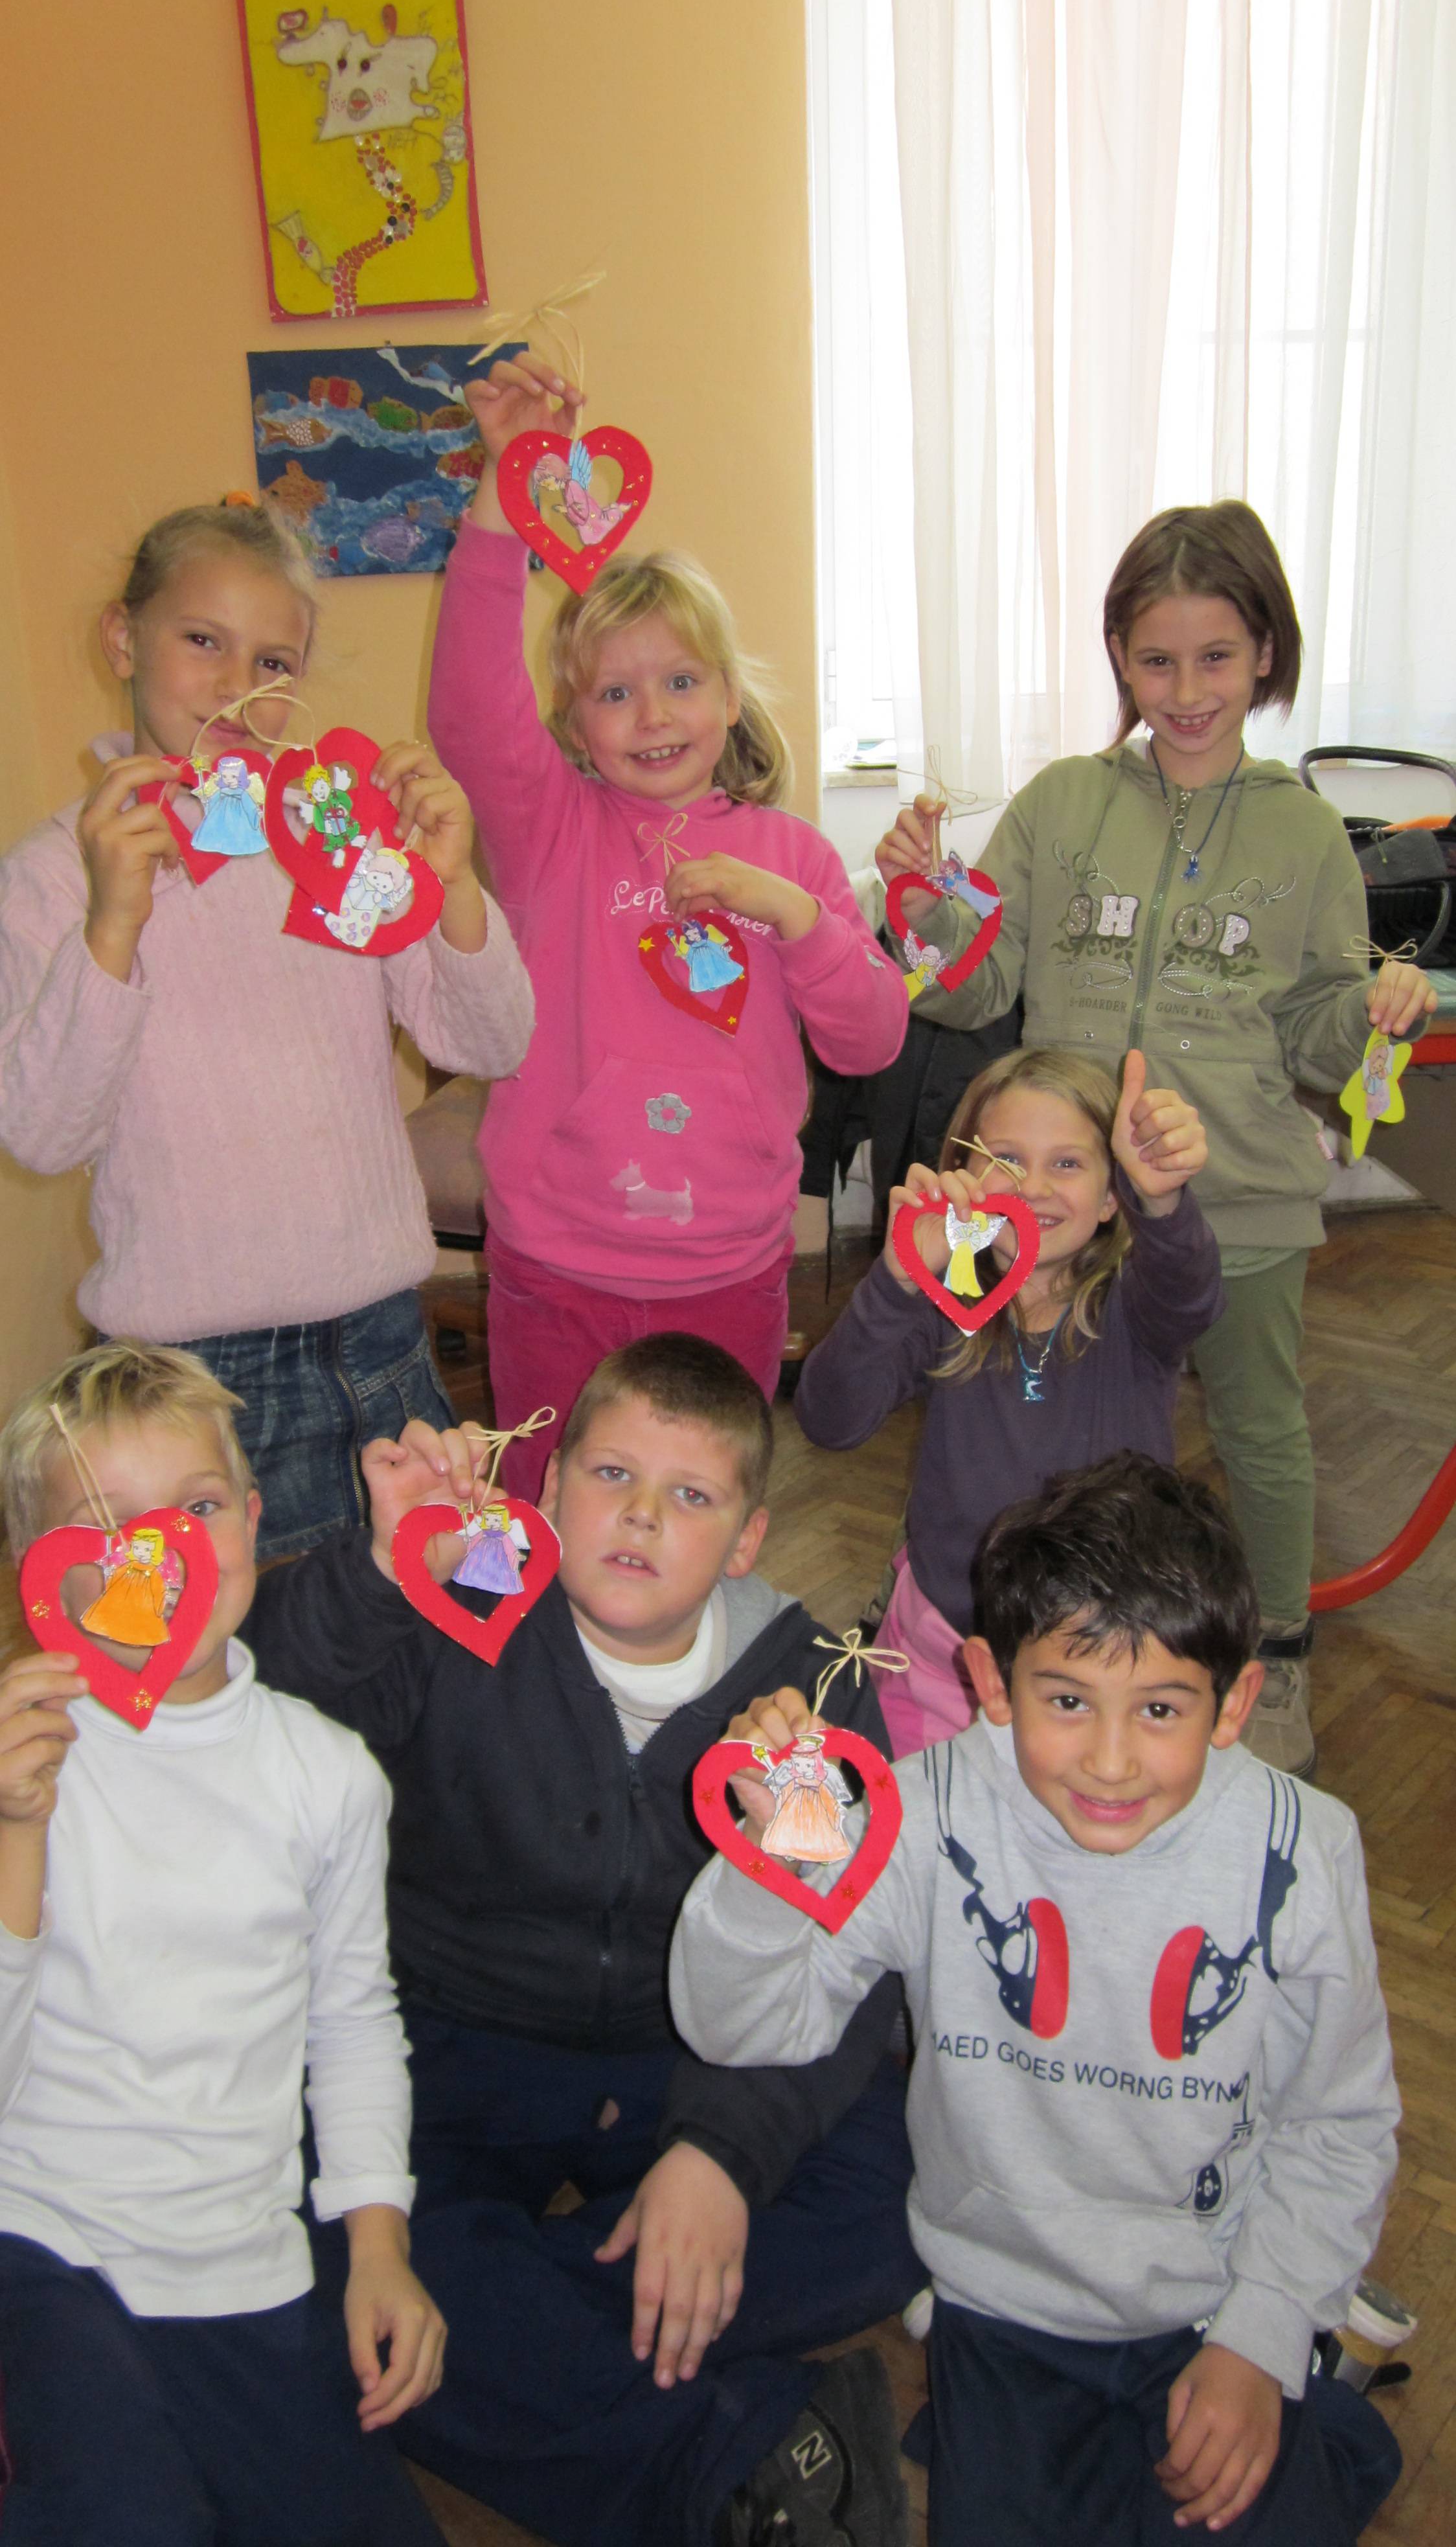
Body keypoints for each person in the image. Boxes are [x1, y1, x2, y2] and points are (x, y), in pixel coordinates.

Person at [243, 1333, 922, 2547]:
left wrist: (721, 2155)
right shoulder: (465, 1591)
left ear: (748, 1541)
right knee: (307, 2230)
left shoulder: (815, 1691)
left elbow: (848, 1976)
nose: (642, 1516)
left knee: (908, 2184)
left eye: (693, 1497)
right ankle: (735, 2450)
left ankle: (513, 2315)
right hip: (450, 2046)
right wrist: (382, 1568)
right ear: (548, 1487)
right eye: (611, 1476)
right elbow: (261, 1692)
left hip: (692, 2060)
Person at [671, 1452, 1404, 2547]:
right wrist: (773, 1865)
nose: (1109, 1761)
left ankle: (1323, 2404)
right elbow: (739, 2027)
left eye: (1159, 1708)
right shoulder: (921, 1813)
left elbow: (1339, 2122)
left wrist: (1260, 2335)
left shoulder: (1303, 1848)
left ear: (1234, 1703)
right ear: (987, 1681)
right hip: (1002, 2309)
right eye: (1065, 1700)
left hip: (1212, 2292)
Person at [875, 500, 1437, 1776]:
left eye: (1215, 657)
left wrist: (1374, 1011)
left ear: (1265, 655)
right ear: (1118, 659)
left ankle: (1275, 1655)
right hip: (1064, 1220)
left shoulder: (1300, 830)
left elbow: (1318, 1034)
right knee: (1062, 1446)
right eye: (1154, 660)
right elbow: (972, 985)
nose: (1184, 692)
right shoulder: (1062, 803)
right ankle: (1065, 1655)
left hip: (1234, 1204)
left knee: (1258, 1432)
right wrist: (918, 904)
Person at [0, 498, 534, 1558]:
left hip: (384, 1340)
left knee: (420, 1623)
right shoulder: (55, 876)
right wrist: (114, 926)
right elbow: (45, 1133)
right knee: (252, 1640)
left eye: (274, 661)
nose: (237, 688)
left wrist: (454, 885)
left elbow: (488, 1044)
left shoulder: (332, 838)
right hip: (195, 1382)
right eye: (204, 641)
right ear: (123, 639)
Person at [426, 349, 909, 1501]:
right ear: (574, 724)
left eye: (681, 682)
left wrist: (794, 918)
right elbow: (469, 706)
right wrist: (504, 490)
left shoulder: (792, 856)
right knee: (551, 1504)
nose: (651, 714)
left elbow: (871, 1039)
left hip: (727, 1267)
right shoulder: (549, 831)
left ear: (730, 697)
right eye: (614, 692)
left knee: (697, 1515)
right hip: (557, 1263)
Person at [0, 1341, 447, 2547]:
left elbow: (353, 2023)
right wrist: (15, 1838)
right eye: (109, 1528)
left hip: (247, 2261)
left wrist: (377, 2243)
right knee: (125, 2516)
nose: (160, 1556)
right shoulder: (26, 1767)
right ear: (41, 1571)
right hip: (40, 2240)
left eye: (197, 1510)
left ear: (254, 1522)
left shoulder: (327, 1776)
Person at [797, 1044, 1222, 1753]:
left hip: (1102, 1659)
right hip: (944, 1650)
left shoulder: (1139, 1308)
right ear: (962, 1176)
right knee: (923, 1809)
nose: (1034, 1187)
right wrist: (896, 1282)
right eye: (1006, 1159)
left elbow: (1192, 1292)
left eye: (1068, 1163)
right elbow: (829, 1419)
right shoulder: (943, 1302)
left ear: (1112, 1195)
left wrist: (1163, 1201)